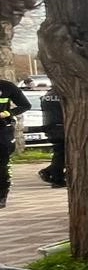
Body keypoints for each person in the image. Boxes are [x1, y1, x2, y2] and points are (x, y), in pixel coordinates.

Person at [0, 76, 33, 209]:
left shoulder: (6, 86)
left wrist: (8, 113)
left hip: (2, 130)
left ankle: (2, 194)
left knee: (2, 164)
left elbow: (25, 105)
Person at [38, 84, 66, 188]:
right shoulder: (63, 94)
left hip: (50, 127)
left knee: (60, 153)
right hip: (61, 127)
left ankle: (49, 172)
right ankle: (56, 179)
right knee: (61, 154)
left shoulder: (47, 95)